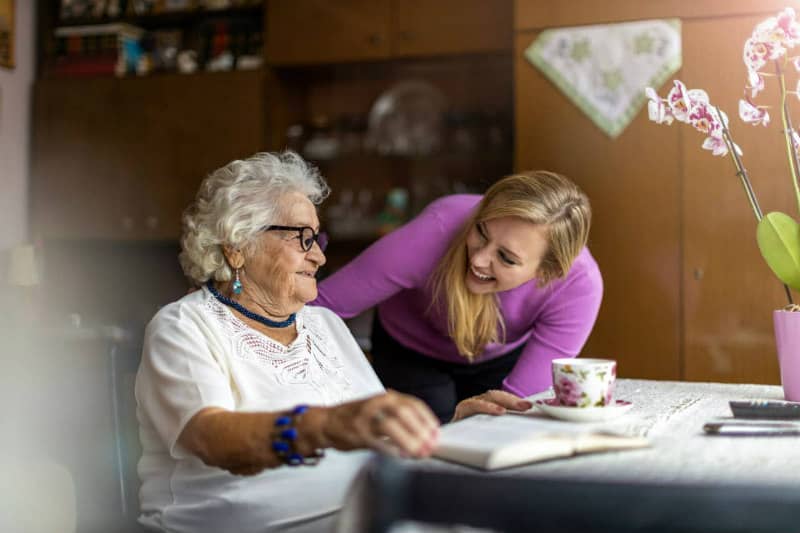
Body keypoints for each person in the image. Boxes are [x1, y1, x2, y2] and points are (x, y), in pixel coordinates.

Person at [134, 151, 530, 533]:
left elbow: (372, 433)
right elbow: (211, 437)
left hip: (363, 516)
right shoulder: (184, 326)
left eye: (316, 240)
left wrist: (448, 428)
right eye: (301, 239)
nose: (319, 259)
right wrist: (324, 424)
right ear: (237, 248)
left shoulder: (324, 325)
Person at [314, 171, 603, 422]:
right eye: (481, 231)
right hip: (410, 349)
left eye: (506, 257)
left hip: (500, 357)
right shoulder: (438, 228)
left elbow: (517, 405)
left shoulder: (579, 286)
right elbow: (318, 307)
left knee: (498, 432)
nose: (479, 259)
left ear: (548, 272)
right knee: (422, 441)